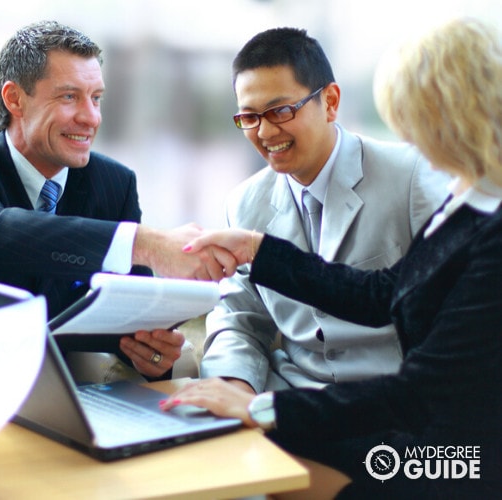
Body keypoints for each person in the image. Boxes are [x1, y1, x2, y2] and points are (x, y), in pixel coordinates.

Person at [164, 17, 502, 497]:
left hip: (439, 446)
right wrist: (258, 252)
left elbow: (422, 393)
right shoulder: (468, 197)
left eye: (418, 122)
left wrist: (264, 411)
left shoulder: (437, 191)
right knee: (198, 461)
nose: (411, 138)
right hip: (352, 410)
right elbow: (383, 291)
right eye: (248, 117)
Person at [0, 20, 235, 379]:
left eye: (96, 98)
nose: (91, 118)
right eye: (68, 96)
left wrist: (149, 354)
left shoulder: (114, 184)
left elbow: (128, 319)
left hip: (57, 400)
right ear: (14, 99)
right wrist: (147, 244)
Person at [199, 27, 448, 394]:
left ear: (330, 102)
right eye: (249, 117)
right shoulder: (244, 202)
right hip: (288, 396)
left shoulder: (410, 175)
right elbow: (238, 319)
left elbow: (444, 310)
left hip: (392, 402)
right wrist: (235, 386)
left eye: (281, 110)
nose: (265, 132)